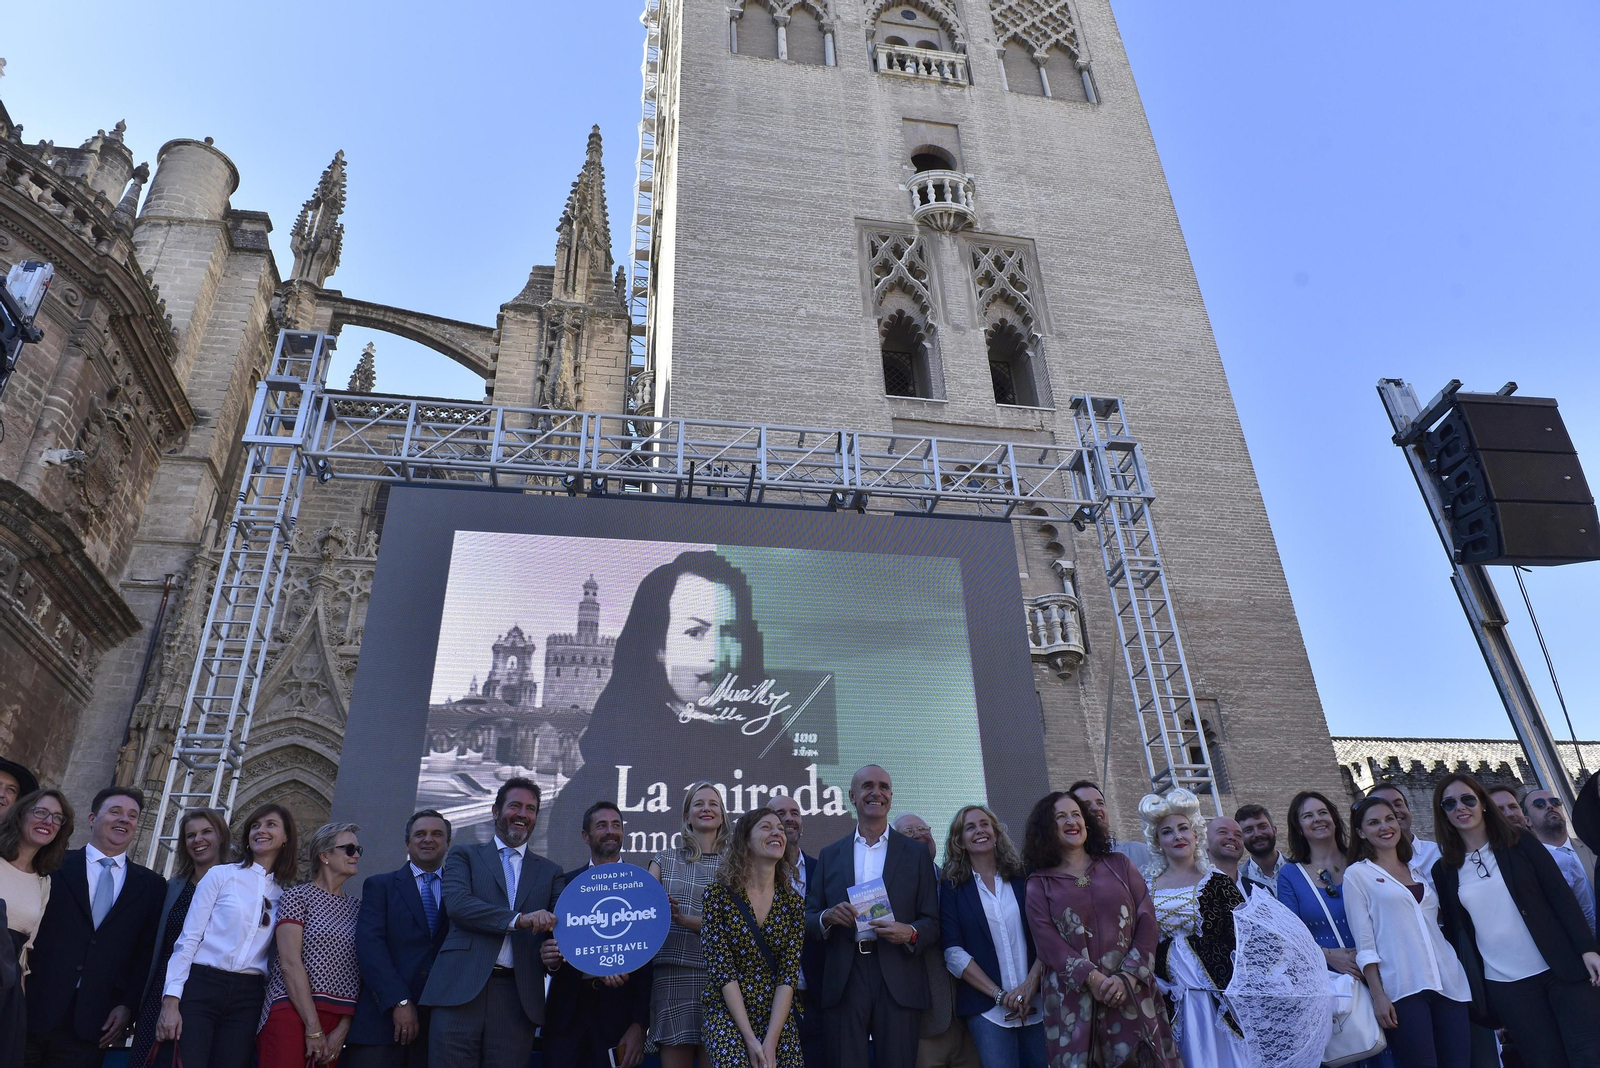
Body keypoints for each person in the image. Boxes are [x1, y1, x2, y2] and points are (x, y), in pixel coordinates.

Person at [548, 552, 845, 865]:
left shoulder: (786, 765)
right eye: (695, 632)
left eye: (729, 632)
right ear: (658, 646)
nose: (716, 654)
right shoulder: (595, 784)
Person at [1432, 772, 1600, 1067]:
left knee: (1589, 1053)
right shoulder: (1444, 870)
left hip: (1559, 967)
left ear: (1483, 804)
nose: (1460, 807)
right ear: (1443, 813)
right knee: (1545, 1061)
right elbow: (1460, 933)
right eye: (1449, 803)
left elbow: (1559, 894)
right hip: (1508, 986)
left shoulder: (1519, 842)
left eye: (1468, 799)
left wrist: (1587, 948)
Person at [1022, 790, 1178, 1068]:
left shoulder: (1119, 864)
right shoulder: (1038, 882)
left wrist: (1127, 977)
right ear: (1047, 827)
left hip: (1131, 993)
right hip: (1073, 1002)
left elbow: (1146, 920)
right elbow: (1047, 943)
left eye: (1076, 814)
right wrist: (1093, 980)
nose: (1072, 821)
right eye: (1061, 817)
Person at [421, 777, 563, 1068]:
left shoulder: (551, 872)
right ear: (496, 811)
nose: (523, 813)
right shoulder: (464, 855)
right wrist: (519, 920)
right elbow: (458, 905)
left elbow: (560, 931)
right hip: (459, 992)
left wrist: (555, 959)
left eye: (531, 808)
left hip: (517, 998)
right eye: (515, 806)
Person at [805, 764, 939, 1068]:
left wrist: (910, 932)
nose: (876, 792)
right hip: (845, 975)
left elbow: (933, 921)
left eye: (883, 787)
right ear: (852, 796)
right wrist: (827, 916)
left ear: (891, 797)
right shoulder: (830, 854)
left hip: (899, 975)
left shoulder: (915, 854)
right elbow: (808, 918)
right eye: (867, 786)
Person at [25, 786, 165, 1067]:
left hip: (93, 1023)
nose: (124, 819)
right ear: (92, 818)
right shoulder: (52, 863)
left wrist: (128, 1006)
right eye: (115, 812)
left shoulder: (150, 885)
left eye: (132, 815)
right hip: (32, 1006)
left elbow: (144, 952)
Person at [157, 802, 298, 1068]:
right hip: (202, 985)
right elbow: (188, 940)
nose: (261, 831)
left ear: (286, 837)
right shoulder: (220, 875)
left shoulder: (284, 895)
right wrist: (171, 1001)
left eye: (270, 825)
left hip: (248, 996)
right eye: (255, 825)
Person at [1343, 794, 1471, 1068]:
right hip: (1402, 988)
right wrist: (1378, 995)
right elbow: (1364, 942)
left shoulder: (1418, 871)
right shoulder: (1358, 875)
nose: (1385, 827)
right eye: (1374, 822)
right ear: (1360, 832)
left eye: (1389, 819)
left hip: (1449, 983)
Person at [1275, 793, 1394, 1068]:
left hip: (1382, 974)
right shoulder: (1291, 874)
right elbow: (1290, 937)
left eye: (1322, 812)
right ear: (1299, 827)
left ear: (1334, 818)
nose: (1317, 819)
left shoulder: (1363, 859)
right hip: (1331, 986)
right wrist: (1328, 956)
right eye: (1308, 816)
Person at [1141, 788, 1249, 1068]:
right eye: (1167, 832)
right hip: (1170, 995)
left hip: (1216, 997)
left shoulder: (1218, 883)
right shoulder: (1144, 888)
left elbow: (1243, 940)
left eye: (1183, 829)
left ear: (1196, 835)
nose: (1177, 836)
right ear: (1157, 841)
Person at [540, 801, 652, 1068]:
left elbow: (650, 965)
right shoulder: (563, 884)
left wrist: (640, 1024)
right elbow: (544, 947)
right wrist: (549, 960)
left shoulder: (643, 886)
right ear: (585, 836)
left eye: (616, 825)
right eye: (601, 825)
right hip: (567, 1015)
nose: (611, 831)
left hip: (620, 1016)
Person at [940, 803, 1044, 1068]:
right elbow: (953, 953)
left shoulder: (1024, 876)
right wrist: (1000, 996)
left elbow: (1047, 936)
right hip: (987, 1012)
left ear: (996, 833)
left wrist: (1029, 986)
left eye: (985, 824)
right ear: (959, 841)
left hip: (1039, 1003)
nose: (979, 831)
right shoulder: (952, 887)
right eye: (970, 827)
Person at [348, 809, 453, 1068]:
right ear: (408, 843)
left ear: (448, 843)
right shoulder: (380, 886)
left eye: (437, 834)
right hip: (381, 1025)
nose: (428, 839)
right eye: (420, 834)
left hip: (436, 1029)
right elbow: (370, 949)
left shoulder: (460, 891)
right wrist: (400, 1001)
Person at [702, 807, 806, 1068]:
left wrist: (770, 1041)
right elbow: (722, 972)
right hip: (728, 1014)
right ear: (744, 840)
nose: (777, 833)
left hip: (776, 1017)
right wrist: (749, 1039)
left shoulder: (793, 903)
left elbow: (787, 975)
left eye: (780, 829)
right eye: (766, 827)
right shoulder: (717, 896)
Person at [130, 808, 231, 1068]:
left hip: (210, 995)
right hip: (161, 994)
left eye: (206, 832)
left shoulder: (237, 888)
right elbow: (151, 946)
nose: (198, 840)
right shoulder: (172, 888)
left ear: (221, 836)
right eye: (190, 835)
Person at [258, 822, 364, 1066]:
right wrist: (313, 1028)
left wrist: (343, 1029)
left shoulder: (359, 908)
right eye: (349, 849)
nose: (356, 855)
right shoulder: (297, 896)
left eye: (359, 850)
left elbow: (360, 973)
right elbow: (289, 963)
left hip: (338, 1020)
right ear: (324, 855)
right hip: (292, 1011)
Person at [648, 781, 729, 1068]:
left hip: (723, 980)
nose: (706, 808)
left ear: (722, 816)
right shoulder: (663, 860)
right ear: (686, 816)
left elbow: (741, 925)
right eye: (698, 804)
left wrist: (685, 920)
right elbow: (645, 917)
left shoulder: (738, 865)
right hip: (672, 978)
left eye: (713, 804)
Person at [893, 812, 978, 1068]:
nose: (920, 834)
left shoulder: (959, 882)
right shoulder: (888, 891)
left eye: (923, 828)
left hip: (971, 1019)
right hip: (924, 1026)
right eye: (909, 832)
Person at [0, 789, 71, 1068]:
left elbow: (24, 953)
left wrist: (17, 1009)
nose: (49, 821)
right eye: (40, 812)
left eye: (57, 818)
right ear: (19, 816)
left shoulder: (44, 882)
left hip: (7, 992)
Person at [771, 793, 824, 1067]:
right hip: (767, 1003)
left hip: (816, 1001)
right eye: (781, 813)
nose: (789, 818)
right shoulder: (754, 876)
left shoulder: (823, 869)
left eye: (795, 813)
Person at [1522, 786, 1597, 934]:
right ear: (1528, 821)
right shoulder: (1530, 864)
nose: (1550, 806)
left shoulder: (1593, 847)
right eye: (1539, 804)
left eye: (1555, 802)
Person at [1066, 781, 1153, 871]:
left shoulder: (1142, 853)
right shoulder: (1066, 867)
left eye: (1100, 803)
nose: (1096, 808)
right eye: (1086, 805)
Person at [1369, 783, 1441, 886]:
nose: (1394, 811)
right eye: (1384, 807)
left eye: (1398, 804)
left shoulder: (1439, 853)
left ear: (1409, 810)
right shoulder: (1365, 869)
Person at [1235, 803, 1287, 898]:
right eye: (1248, 830)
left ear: (1274, 830)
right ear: (1241, 838)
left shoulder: (1301, 868)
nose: (1257, 834)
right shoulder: (1237, 881)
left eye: (1262, 827)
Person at [1205, 817, 1251, 898]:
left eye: (1238, 835)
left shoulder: (1261, 891)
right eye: (1222, 832)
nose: (1232, 837)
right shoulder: (1194, 890)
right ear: (1205, 842)